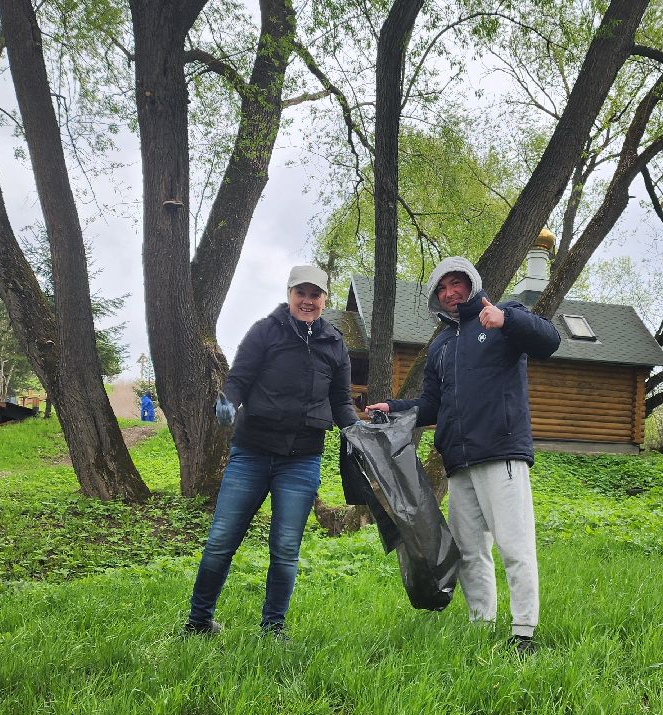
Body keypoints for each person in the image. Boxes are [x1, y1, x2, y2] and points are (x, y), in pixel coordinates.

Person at [367, 257, 561, 655]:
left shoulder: (505, 315)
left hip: (501, 453)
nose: (450, 292)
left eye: (456, 283)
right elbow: (433, 405)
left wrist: (507, 321)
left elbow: (550, 341)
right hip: (458, 463)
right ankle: (481, 625)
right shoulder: (440, 344)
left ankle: (524, 632)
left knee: (514, 546)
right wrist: (395, 407)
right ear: (436, 298)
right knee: (470, 550)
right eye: (442, 288)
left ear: (471, 283)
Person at [185, 264, 361, 638]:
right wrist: (228, 403)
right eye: (301, 293)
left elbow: (342, 402)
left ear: (325, 299)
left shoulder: (335, 344)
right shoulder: (265, 331)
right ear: (289, 293)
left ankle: (273, 628)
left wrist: (357, 430)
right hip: (251, 453)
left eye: (315, 294)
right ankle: (199, 622)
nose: (308, 300)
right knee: (220, 540)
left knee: (284, 548)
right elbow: (239, 381)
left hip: (302, 460)